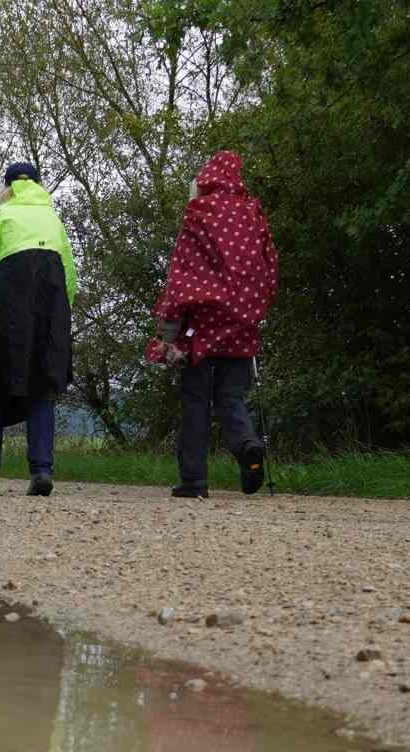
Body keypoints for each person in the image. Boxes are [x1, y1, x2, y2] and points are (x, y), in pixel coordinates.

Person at [152, 150, 279, 498]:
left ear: (205, 180)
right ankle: (247, 445)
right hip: (242, 320)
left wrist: (168, 331)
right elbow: (271, 267)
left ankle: (194, 480)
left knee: (195, 397)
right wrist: (256, 307)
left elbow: (180, 274)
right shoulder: (252, 214)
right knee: (232, 395)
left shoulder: (198, 214)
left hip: (203, 322)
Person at [0, 163, 76, 497]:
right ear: (38, 185)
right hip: (51, 311)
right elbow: (69, 276)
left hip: (7, 309)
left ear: (6, 187)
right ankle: (41, 470)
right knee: (42, 384)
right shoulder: (53, 220)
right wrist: (63, 317)